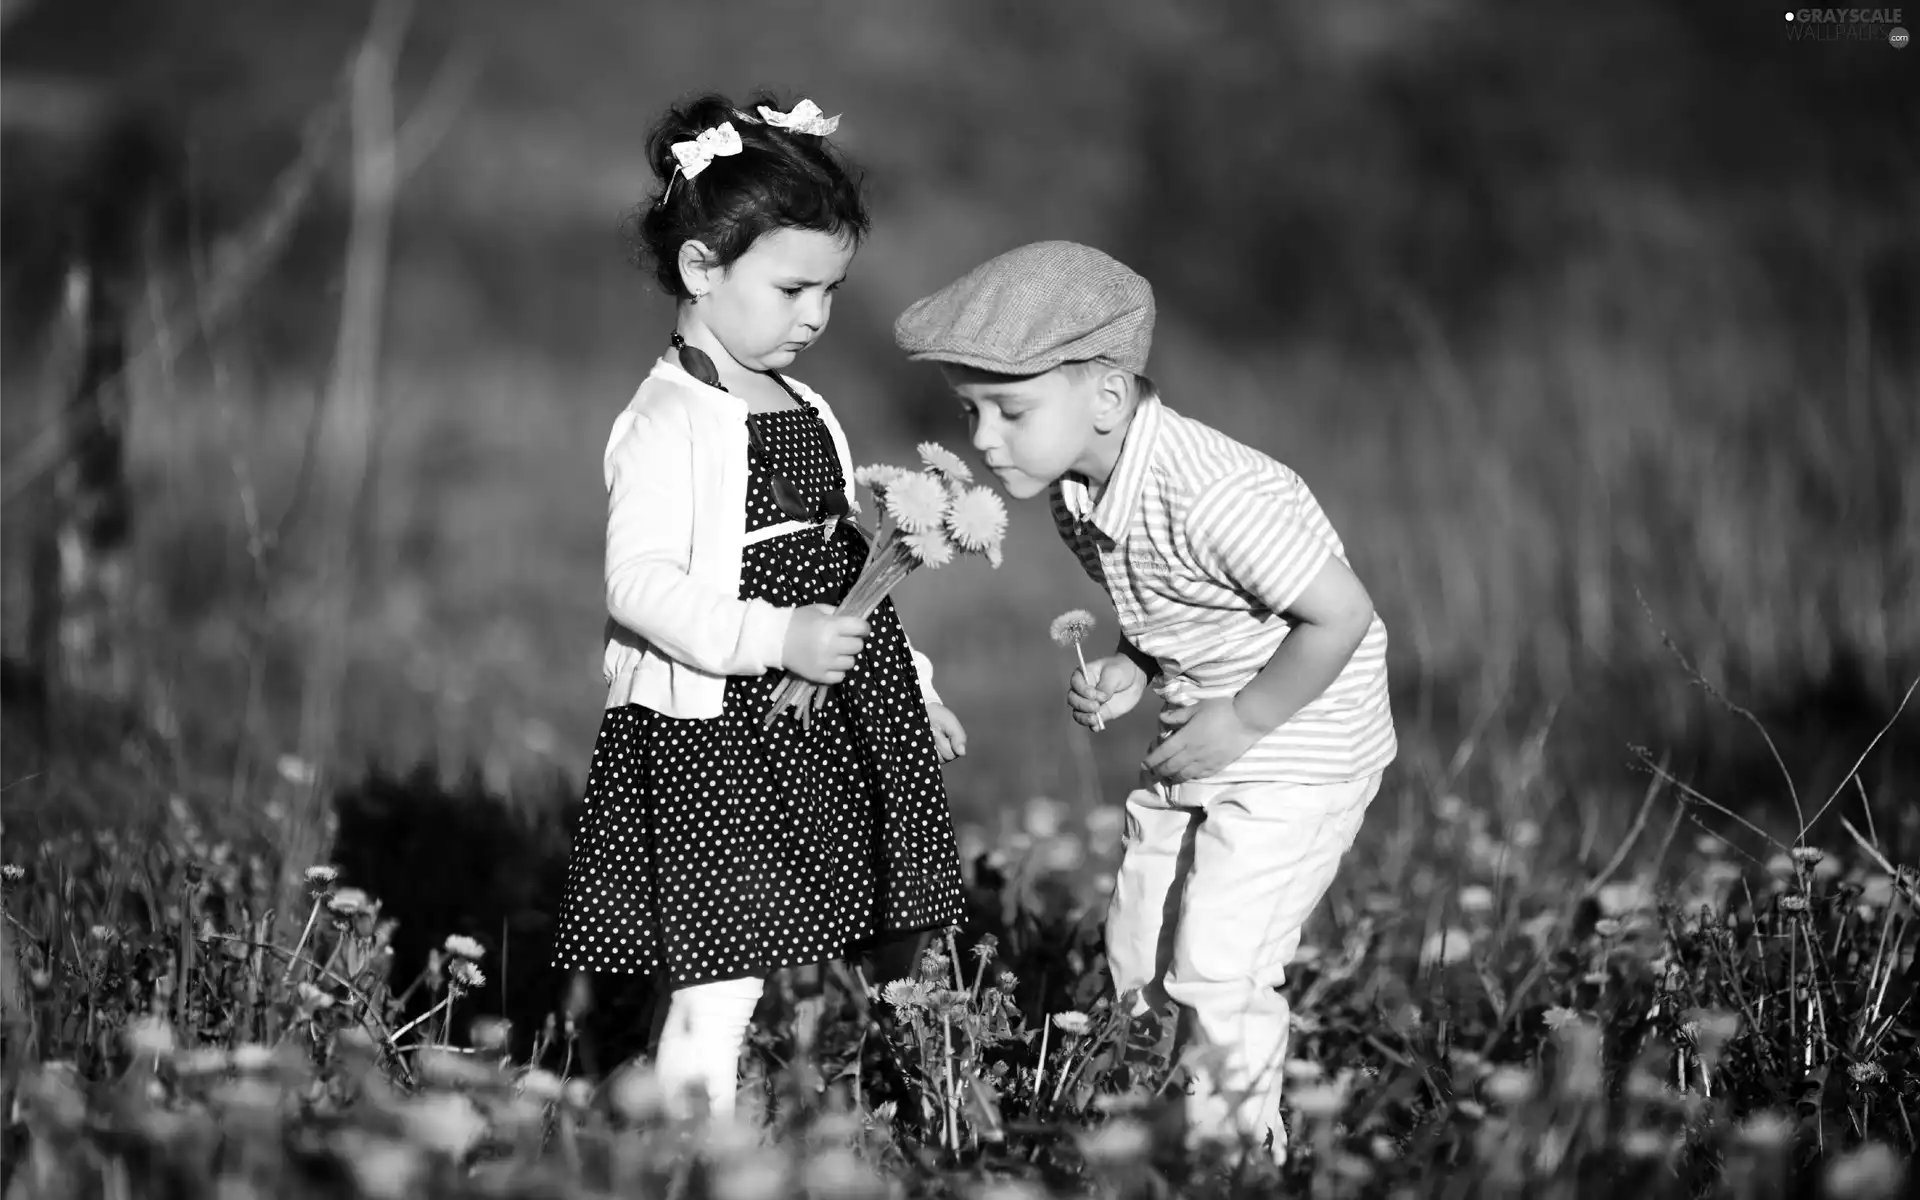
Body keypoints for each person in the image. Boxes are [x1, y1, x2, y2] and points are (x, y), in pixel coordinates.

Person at [893, 241, 1396, 1162]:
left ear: (1107, 396)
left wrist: (1241, 722)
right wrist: (1134, 666)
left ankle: (1236, 1157)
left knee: (1218, 961)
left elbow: (1343, 617)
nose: (983, 439)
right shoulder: (1077, 495)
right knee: (1138, 950)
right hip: (1201, 730)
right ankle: (1161, 1127)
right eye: (971, 412)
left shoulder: (1217, 493)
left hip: (1298, 741)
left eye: (1011, 410)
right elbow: (1178, 609)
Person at [552, 91, 968, 1124]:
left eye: (830, 291)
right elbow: (637, 584)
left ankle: (652, 1119)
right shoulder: (669, 417)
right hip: (712, 732)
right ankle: (694, 1149)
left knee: (765, 950)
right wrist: (772, 635)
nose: (814, 317)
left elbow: (844, 569)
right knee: (723, 969)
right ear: (702, 268)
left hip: (810, 723)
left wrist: (912, 686)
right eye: (791, 289)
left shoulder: (802, 403)